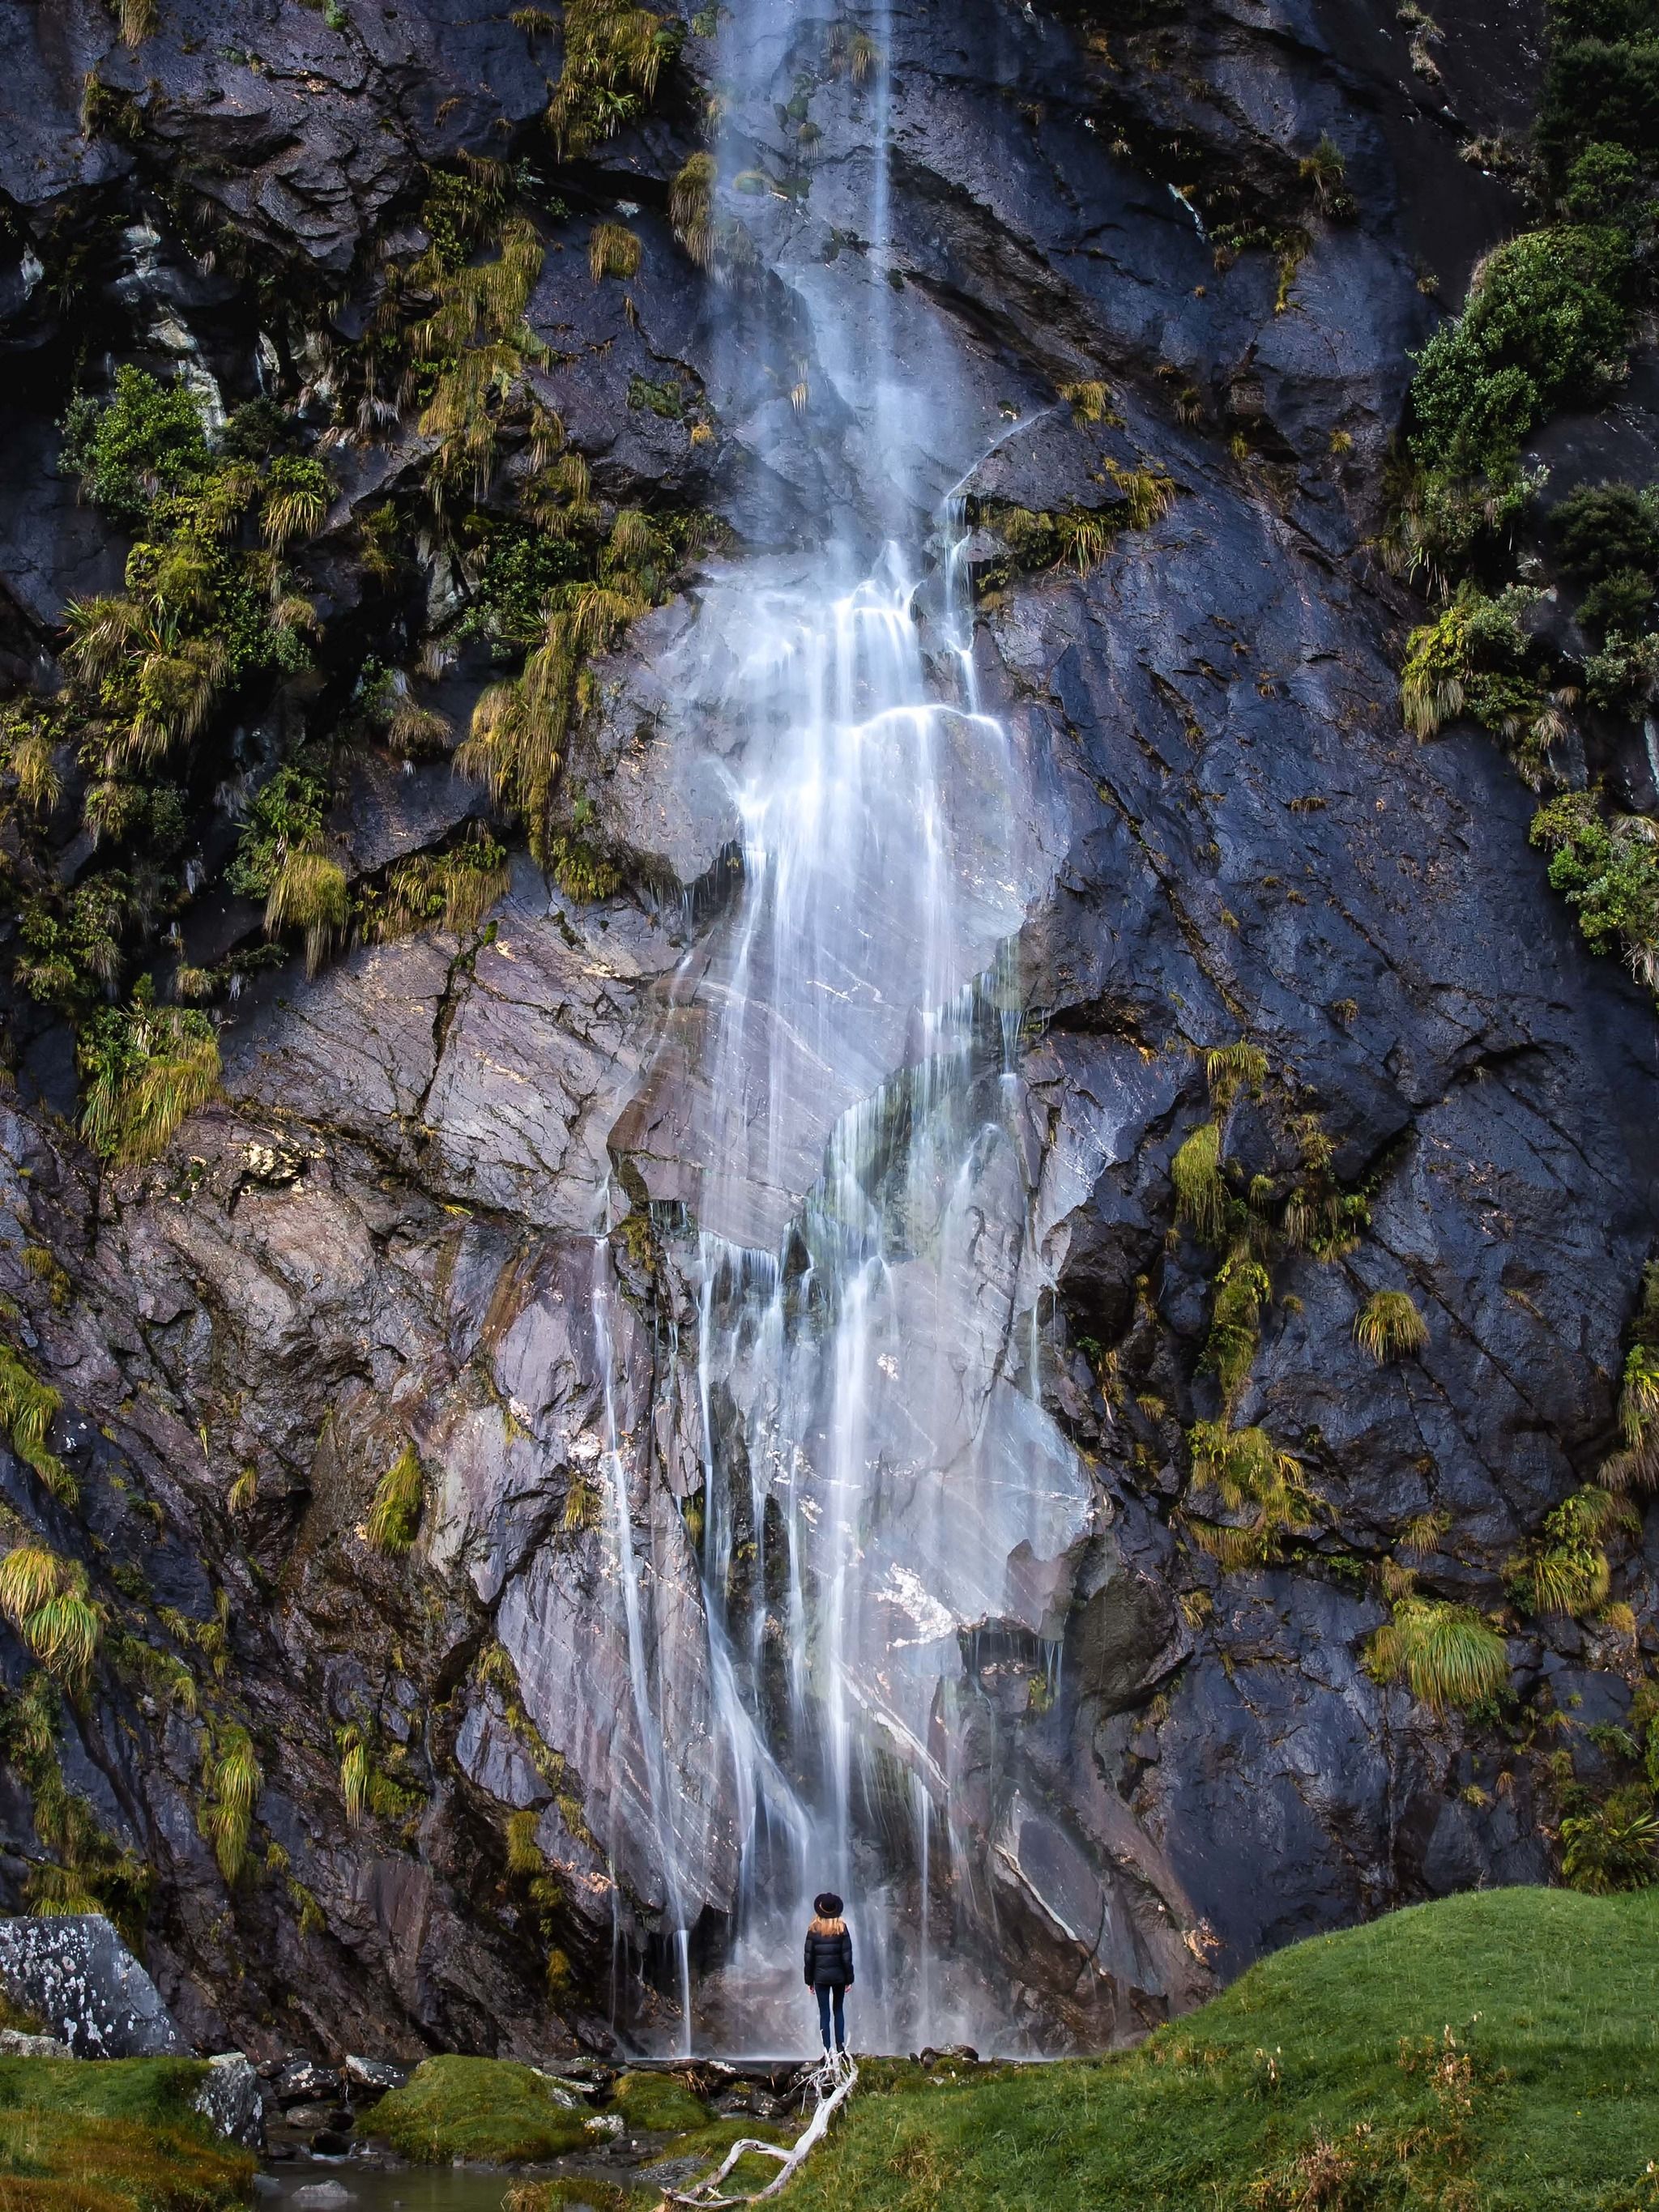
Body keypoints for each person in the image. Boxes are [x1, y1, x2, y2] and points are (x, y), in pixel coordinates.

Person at [803, 1890, 854, 2056]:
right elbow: (847, 1957)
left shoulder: (813, 1929)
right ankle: (840, 2048)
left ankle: (827, 2051)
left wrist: (809, 1981)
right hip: (839, 1977)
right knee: (838, 2010)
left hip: (821, 1977)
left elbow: (809, 1958)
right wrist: (849, 1979)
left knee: (824, 2013)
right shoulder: (842, 1928)